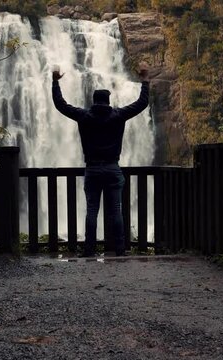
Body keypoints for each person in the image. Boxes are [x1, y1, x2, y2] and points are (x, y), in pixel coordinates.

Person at [51, 64, 150, 257]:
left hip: (93, 169)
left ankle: (89, 250)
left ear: (94, 101)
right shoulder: (118, 115)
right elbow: (141, 103)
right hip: (113, 168)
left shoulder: (84, 116)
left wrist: (55, 82)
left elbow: (60, 105)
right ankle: (120, 250)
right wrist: (145, 80)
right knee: (116, 211)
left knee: (92, 211)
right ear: (108, 101)